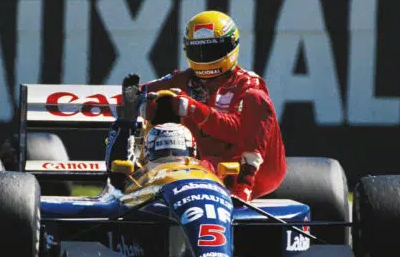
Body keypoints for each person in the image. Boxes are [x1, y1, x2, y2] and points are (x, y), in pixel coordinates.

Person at [106, 10, 287, 202]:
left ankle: (244, 186)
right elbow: (137, 94)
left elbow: (237, 131)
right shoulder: (181, 80)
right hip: (203, 167)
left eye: (212, 51)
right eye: (197, 51)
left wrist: (193, 108)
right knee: (155, 102)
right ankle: (133, 178)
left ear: (231, 47)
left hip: (261, 172)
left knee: (256, 99)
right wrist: (136, 101)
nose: (204, 57)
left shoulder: (249, 84)